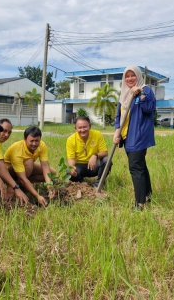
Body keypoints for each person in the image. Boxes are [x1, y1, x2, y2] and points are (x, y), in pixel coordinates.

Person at [113, 65, 156, 210]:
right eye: (127, 76)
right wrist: (116, 133)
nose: (130, 78)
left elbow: (149, 109)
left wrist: (140, 94)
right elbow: (118, 116)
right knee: (141, 166)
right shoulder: (124, 94)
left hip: (139, 137)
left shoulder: (146, 90)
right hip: (127, 137)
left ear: (138, 76)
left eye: (133, 75)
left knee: (135, 168)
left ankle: (140, 203)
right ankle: (147, 194)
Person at [4, 126, 56, 207]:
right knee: (29, 162)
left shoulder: (42, 145)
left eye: (37, 141)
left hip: (24, 169)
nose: (34, 144)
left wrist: (49, 185)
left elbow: (45, 165)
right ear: (25, 139)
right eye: (31, 141)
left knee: (52, 173)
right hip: (8, 172)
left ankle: (26, 184)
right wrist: (37, 196)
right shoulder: (17, 149)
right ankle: (15, 185)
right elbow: (22, 177)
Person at [66, 116, 111, 189]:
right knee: (69, 170)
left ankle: (98, 184)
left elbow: (105, 152)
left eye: (85, 127)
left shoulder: (97, 134)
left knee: (107, 160)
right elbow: (71, 159)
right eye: (80, 128)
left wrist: (95, 156)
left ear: (90, 126)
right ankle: (82, 184)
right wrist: (72, 167)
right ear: (75, 128)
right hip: (80, 166)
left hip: (94, 165)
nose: (82, 130)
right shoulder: (70, 140)